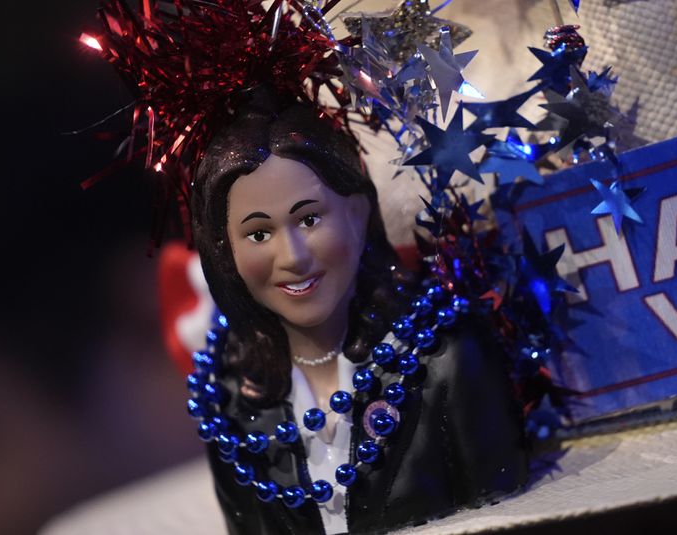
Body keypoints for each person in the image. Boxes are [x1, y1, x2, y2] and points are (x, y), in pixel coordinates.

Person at [188, 88, 528, 534]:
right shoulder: (228, 401)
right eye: (258, 234)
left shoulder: (446, 358)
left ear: (357, 211)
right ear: (224, 253)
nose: (291, 257)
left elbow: (514, 519)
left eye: (309, 219)